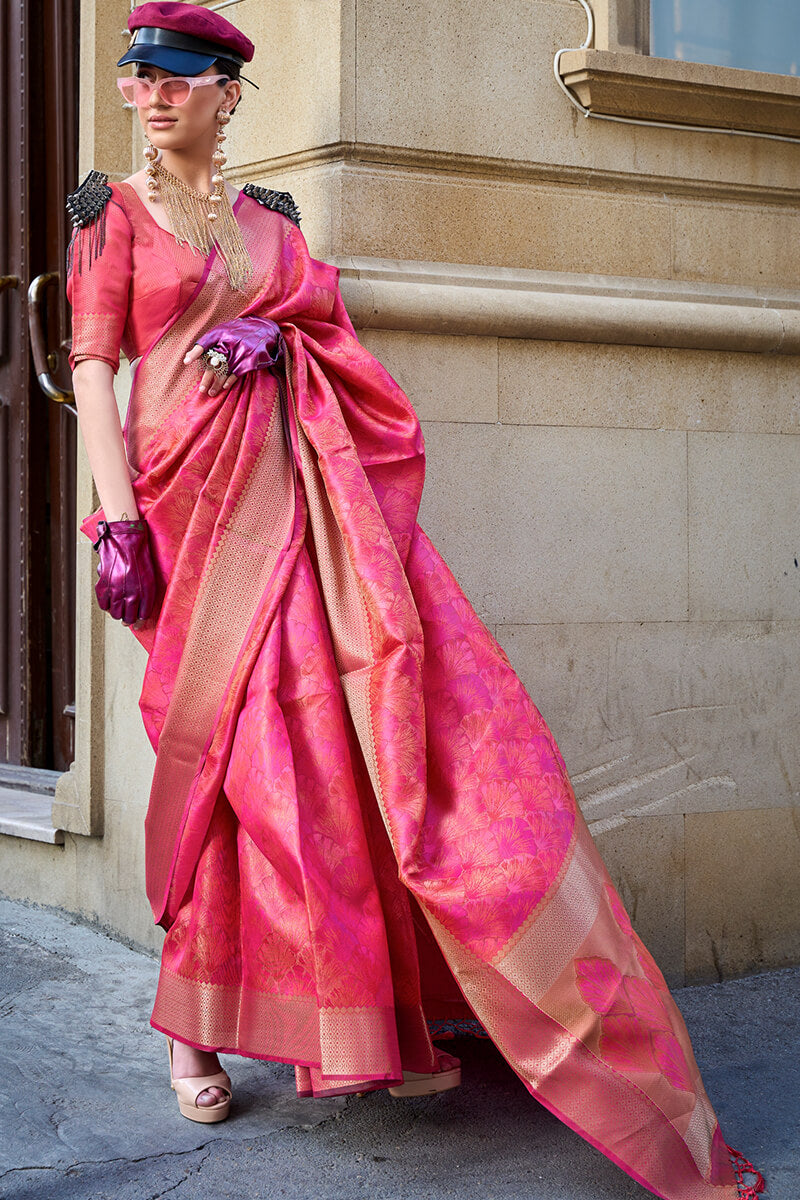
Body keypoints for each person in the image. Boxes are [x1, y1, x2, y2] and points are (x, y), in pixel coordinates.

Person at [66, 2, 764, 1195]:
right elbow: (94, 368)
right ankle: (185, 1024)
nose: (151, 94)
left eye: (177, 76)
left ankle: (362, 1015)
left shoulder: (271, 221)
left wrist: (276, 345)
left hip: (301, 508)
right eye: (138, 78)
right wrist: (116, 519)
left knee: (328, 763)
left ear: (230, 92)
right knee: (224, 771)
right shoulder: (108, 216)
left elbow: (331, 337)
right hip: (188, 523)